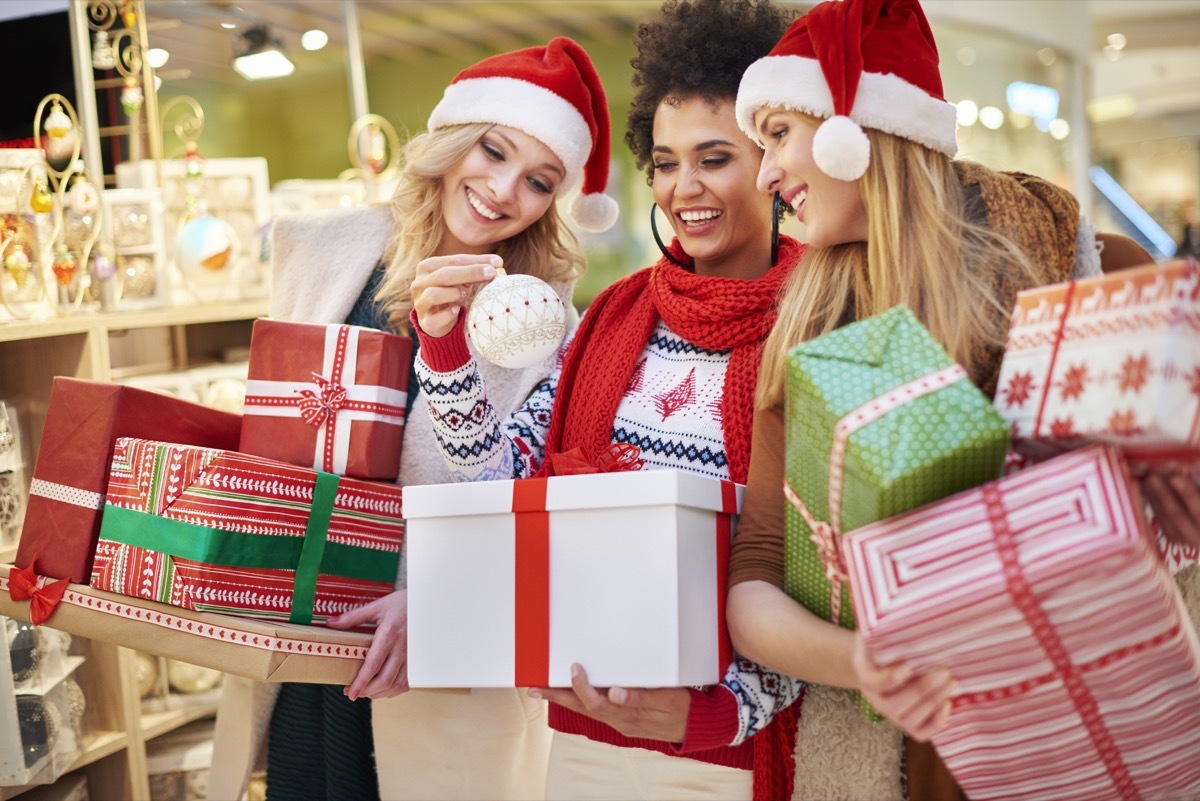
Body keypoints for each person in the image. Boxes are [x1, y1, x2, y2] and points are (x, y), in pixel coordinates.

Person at [724, 0, 1170, 799]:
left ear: (851, 128)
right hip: (905, 752)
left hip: (1094, 726)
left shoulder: (1091, 274)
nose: (764, 175)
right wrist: (863, 659)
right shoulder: (809, 325)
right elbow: (756, 578)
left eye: (780, 135)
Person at [407, 2, 805, 798]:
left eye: (714, 157)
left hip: (729, 753)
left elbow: (827, 574)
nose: (683, 188)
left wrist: (713, 716)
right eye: (664, 162)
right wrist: (444, 346)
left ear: (771, 163)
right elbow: (499, 485)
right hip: (583, 739)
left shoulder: (817, 320)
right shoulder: (611, 319)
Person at [208, 37, 617, 801]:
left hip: (435, 661)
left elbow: (539, 513)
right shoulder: (325, 256)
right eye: (492, 151)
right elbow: (271, 433)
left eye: (539, 180)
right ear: (452, 140)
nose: (502, 190)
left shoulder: (544, 329)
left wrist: (442, 593)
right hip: (304, 634)